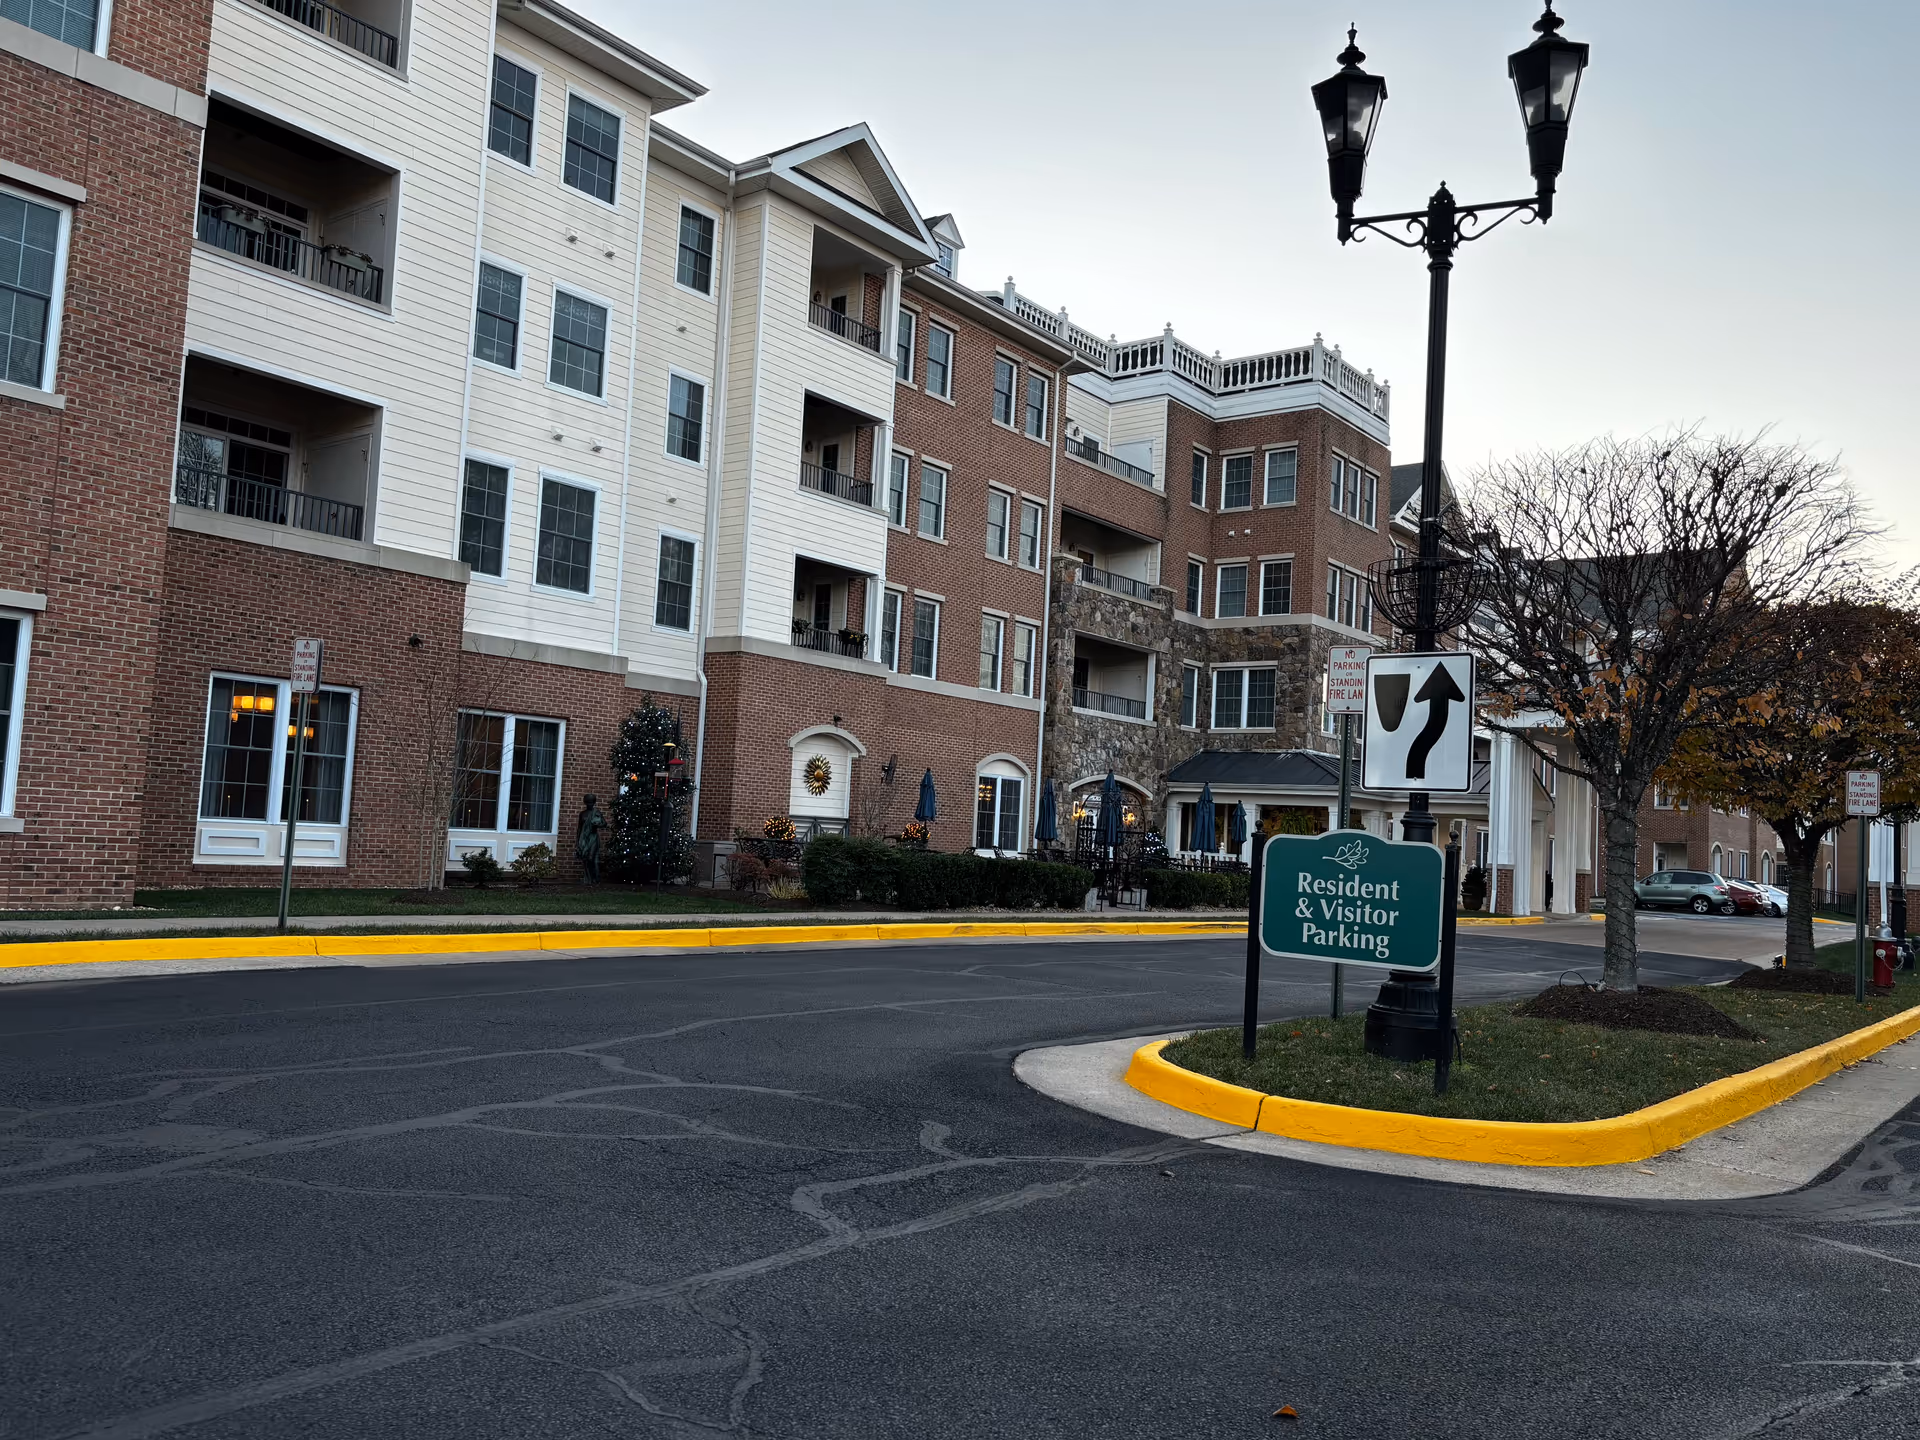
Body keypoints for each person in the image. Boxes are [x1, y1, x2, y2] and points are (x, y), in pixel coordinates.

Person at [576, 794, 607, 884]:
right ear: (585, 802)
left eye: (591, 802)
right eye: (588, 802)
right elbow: (579, 828)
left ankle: (595, 878)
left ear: (594, 803)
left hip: (593, 838)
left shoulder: (596, 813)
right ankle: (588, 878)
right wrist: (577, 841)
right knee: (585, 858)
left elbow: (604, 823)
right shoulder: (582, 814)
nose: (590, 804)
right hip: (584, 838)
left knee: (591, 858)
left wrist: (598, 824)